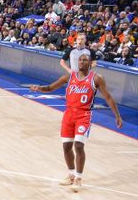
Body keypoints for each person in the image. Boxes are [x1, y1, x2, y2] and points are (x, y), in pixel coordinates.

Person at [29, 53, 122, 192]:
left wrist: (117, 116)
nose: (81, 62)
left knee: (78, 145)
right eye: (79, 60)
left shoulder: (96, 78)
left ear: (90, 63)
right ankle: (71, 174)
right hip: (68, 114)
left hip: (84, 115)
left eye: (84, 60)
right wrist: (39, 88)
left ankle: (78, 178)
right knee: (66, 146)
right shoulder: (69, 77)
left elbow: (108, 97)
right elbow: (50, 88)